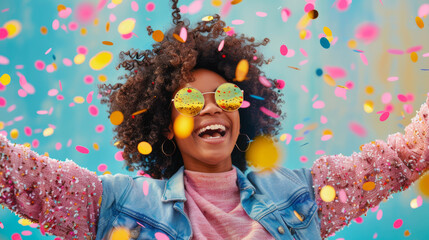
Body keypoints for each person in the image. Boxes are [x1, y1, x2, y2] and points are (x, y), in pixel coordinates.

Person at [1, 1, 428, 239]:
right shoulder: (115, 204)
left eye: (226, 95)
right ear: (166, 124)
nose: (211, 108)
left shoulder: (305, 193)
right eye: (188, 100)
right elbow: (22, 178)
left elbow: (405, 155)